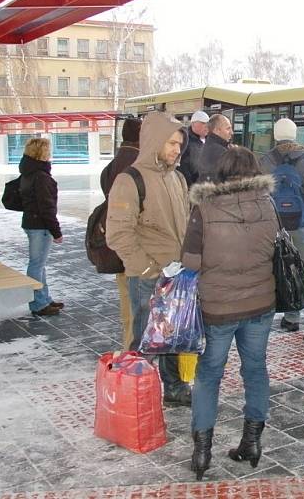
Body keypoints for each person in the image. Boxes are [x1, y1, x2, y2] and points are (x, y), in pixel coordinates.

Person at [181, 146, 279, 481]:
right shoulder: (268, 205)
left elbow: (190, 262)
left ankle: (202, 451)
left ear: (221, 172)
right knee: (255, 370)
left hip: (217, 309)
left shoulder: (203, 209)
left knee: (209, 374)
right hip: (260, 305)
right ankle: (251, 442)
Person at [106, 112, 192, 407]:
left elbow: (185, 222)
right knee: (145, 338)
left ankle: (174, 387)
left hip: (176, 273)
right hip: (147, 275)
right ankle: (131, 395)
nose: (176, 149)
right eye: (171, 143)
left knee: (171, 335)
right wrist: (146, 268)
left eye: (179, 144)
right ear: (154, 141)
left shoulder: (177, 178)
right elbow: (118, 233)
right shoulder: (130, 180)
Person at [259, 118, 304, 342]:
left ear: (275, 135)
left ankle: (288, 318)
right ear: (295, 135)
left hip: (274, 228)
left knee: (274, 271)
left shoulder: (265, 161)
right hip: (302, 226)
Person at [100, 117, 142, 349]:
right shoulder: (138, 164)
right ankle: (132, 349)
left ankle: (128, 343)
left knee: (126, 299)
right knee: (137, 301)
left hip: (117, 240)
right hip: (135, 244)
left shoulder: (115, 162)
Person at [19, 137, 63, 316]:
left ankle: (43, 298)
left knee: (39, 264)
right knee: (37, 265)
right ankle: (38, 303)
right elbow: (47, 207)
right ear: (42, 152)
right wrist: (56, 231)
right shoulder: (41, 176)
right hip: (40, 225)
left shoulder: (28, 172)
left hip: (31, 222)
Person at [197, 113, 233, 183]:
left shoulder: (209, 146)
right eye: (228, 128)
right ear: (216, 130)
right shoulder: (220, 151)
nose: (232, 132)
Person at [178, 110, 210, 186]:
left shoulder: (210, 140)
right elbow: (182, 167)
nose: (207, 127)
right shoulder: (185, 140)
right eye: (203, 123)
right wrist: (191, 187)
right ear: (193, 124)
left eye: (208, 124)